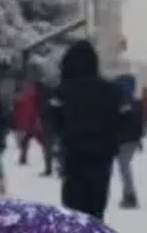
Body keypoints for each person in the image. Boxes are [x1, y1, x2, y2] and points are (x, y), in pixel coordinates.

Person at [47, 41, 130, 220]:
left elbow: (53, 119)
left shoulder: (63, 90)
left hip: (74, 154)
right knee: (96, 206)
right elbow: (124, 118)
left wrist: (65, 135)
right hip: (102, 155)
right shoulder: (110, 90)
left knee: (73, 208)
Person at [112, 74, 144, 209]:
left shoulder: (123, 103)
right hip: (128, 140)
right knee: (124, 167)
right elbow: (138, 124)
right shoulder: (135, 103)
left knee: (124, 167)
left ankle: (130, 196)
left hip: (124, 140)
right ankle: (129, 194)